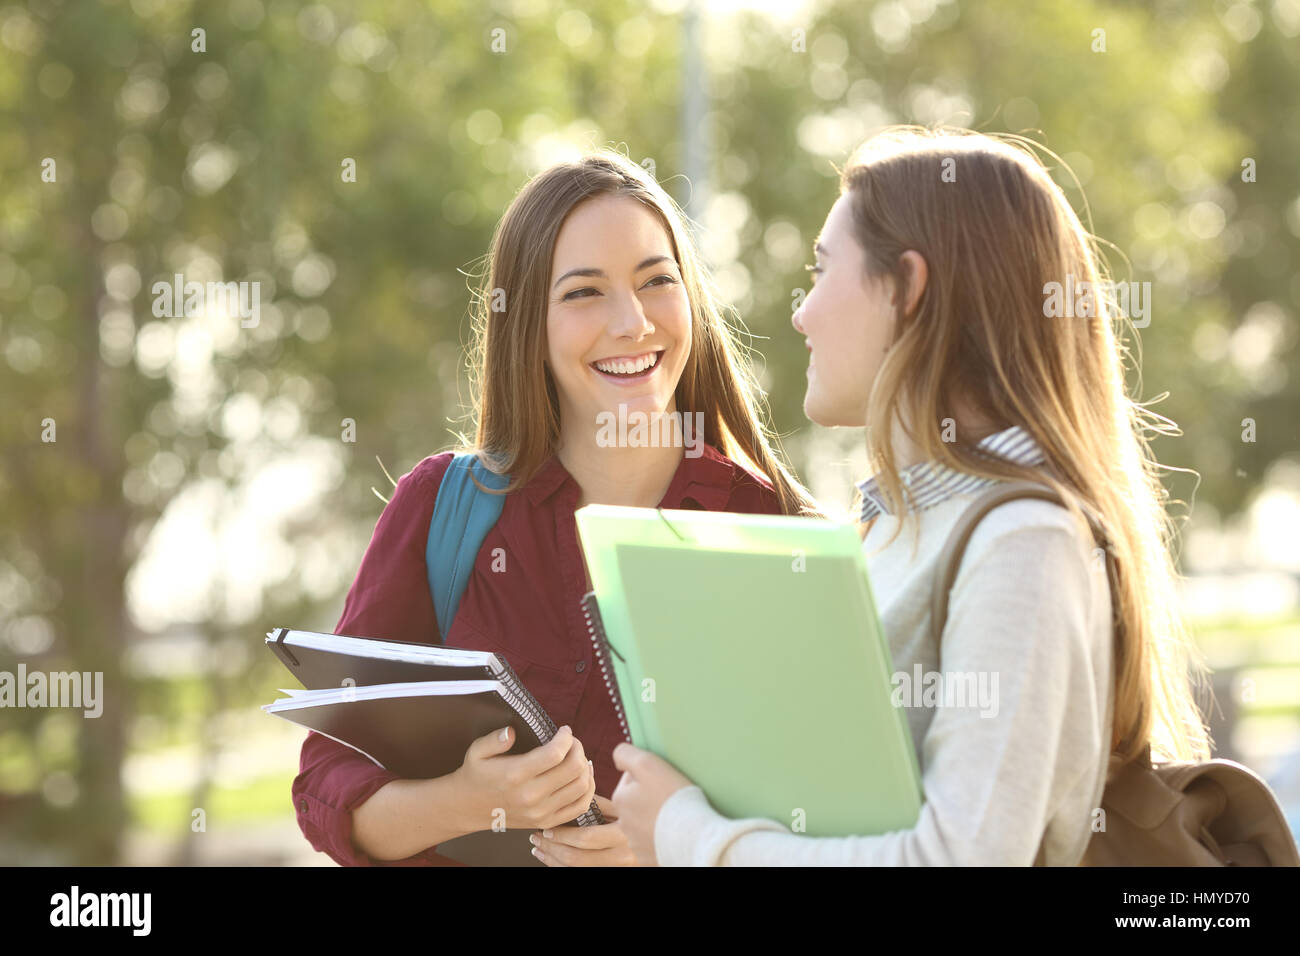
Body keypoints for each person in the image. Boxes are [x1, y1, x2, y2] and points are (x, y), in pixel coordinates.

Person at [603, 126, 1213, 866]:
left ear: (910, 288)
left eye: (824, 270)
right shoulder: (896, 525)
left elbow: (958, 860)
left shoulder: (1024, 540)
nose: (802, 312)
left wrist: (690, 836)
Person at [291, 149, 820, 867]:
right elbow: (328, 784)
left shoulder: (778, 534)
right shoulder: (443, 510)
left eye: (657, 281)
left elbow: (833, 823)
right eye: (583, 293)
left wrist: (669, 851)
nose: (632, 323)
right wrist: (467, 801)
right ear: (527, 325)